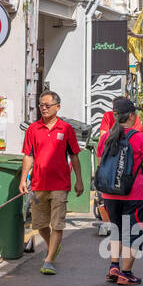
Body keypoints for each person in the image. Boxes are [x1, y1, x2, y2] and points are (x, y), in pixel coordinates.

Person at [96, 96, 143, 285]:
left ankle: (114, 266)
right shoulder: (139, 138)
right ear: (132, 116)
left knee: (116, 229)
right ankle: (125, 273)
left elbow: (101, 164)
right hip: (133, 193)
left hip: (110, 193)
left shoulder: (106, 138)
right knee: (134, 232)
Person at [19, 89, 84, 275]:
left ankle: (49, 259)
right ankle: (53, 247)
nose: (43, 108)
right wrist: (23, 179)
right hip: (38, 183)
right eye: (41, 105)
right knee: (39, 224)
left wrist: (79, 180)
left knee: (57, 223)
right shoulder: (33, 129)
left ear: (58, 107)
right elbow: (28, 156)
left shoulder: (66, 129)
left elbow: (74, 156)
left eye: (47, 105)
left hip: (60, 184)